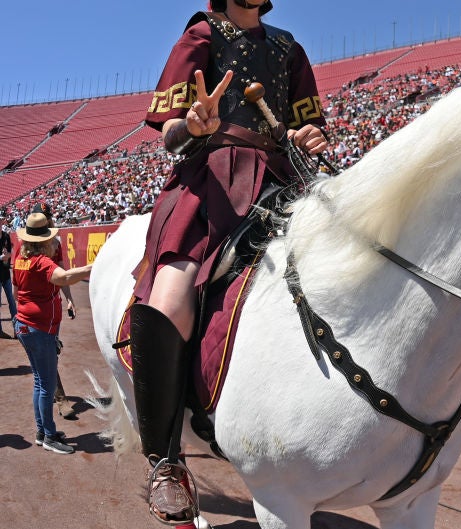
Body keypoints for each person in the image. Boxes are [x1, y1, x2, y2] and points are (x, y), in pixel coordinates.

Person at [131, 0, 327, 522]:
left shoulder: (289, 48)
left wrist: (310, 137)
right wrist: (193, 126)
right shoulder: (199, 37)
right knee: (171, 297)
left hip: (284, 179)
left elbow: (307, 126)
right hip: (212, 178)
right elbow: (169, 135)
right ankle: (165, 462)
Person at [12, 212, 92, 455]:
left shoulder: (21, 258)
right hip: (39, 328)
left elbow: (17, 290)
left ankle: (42, 430)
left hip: (26, 324)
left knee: (40, 382)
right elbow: (64, 277)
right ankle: (48, 435)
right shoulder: (41, 261)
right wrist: (95, 266)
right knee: (45, 384)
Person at [0, 226, 15, 338]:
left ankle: (17, 329)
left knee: (12, 302)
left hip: (6, 275)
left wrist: (7, 256)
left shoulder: (6, 236)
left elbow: (10, 252)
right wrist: (2, 257)